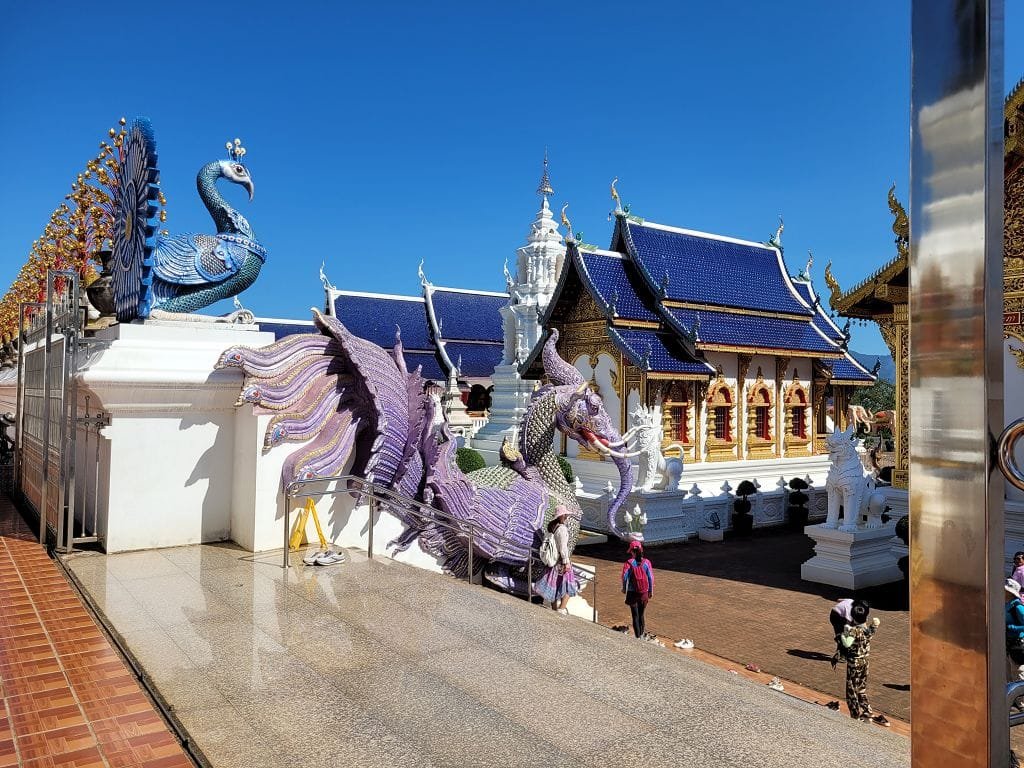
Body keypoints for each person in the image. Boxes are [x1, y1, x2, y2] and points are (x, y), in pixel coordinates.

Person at [840, 604, 889, 726]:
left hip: (854, 664)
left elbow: (847, 643)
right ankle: (867, 712)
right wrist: (875, 623)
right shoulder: (868, 630)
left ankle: (855, 714)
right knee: (861, 689)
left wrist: (843, 634)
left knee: (851, 689)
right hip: (865, 662)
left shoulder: (854, 631)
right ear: (865, 617)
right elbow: (874, 626)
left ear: (853, 617)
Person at [533, 506, 578, 615]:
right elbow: (563, 547)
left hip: (553, 562)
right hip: (560, 561)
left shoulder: (552, 527)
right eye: (566, 515)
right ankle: (562, 609)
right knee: (569, 585)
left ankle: (554, 608)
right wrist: (566, 562)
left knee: (555, 584)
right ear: (562, 516)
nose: (567, 517)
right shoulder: (562, 529)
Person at [621, 540, 655, 640]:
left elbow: (624, 577)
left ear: (632, 551)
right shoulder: (647, 562)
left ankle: (637, 637)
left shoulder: (629, 563)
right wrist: (651, 591)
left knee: (635, 615)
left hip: (632, 593)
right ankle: (642, 636)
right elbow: (650, 578)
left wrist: (624, 588)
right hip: (644, 592)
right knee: (641, 615)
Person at [829, 598, 870, 669]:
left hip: (838, 613)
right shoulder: (850, 612)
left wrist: (865, 630)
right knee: (843, 636)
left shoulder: (852, 601)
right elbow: (847, 626)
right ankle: (842, 656)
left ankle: (842, 652)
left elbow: (838, 600)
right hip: (835, 617)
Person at [1006, 579, 1024, 687]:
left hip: (1018, 646)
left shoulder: (1017, 607)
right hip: (1009, 645)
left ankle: (1021, 701)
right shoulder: (1007, 605)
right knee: (1010, 674)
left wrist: (1014, 628)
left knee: (1018, 673)